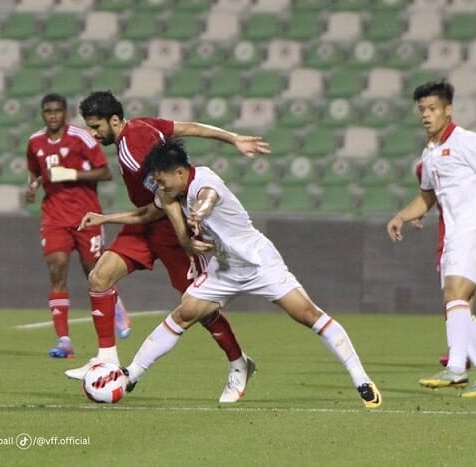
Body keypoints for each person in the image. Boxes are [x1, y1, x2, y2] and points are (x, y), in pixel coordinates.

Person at [81, 138, 382, 408]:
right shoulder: (173, 191)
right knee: (185, 314)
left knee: (307, 314)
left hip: (258, 262)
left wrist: (197, 214)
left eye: (162, 181)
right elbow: (147, 213)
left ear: (180, 172)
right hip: (224, 267)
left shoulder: (204, 181)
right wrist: (105, 218)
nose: (161, 188)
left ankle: (361, 379)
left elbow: (208, 199)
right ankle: (131, 375)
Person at [67, 90, 271, 404]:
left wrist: (186, 242)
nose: (93, 134)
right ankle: (106, 359)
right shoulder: (145, 125)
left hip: (169, 228)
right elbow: (191, 127)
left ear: (115, 120)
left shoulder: (134, 151)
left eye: (96, 127)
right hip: (145, 224)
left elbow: (168, 201)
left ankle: (239, 363)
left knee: (199, 307)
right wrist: (232, 138)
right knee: (99, 278)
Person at [387, 80, 476, 397]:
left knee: (456, 293)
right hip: (452, 232)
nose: (426, 115)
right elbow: (427, 199)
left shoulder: (466, 140)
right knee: (457, 305)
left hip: (472, 227)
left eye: (432, 109)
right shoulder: (428, 155)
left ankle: (456, 369)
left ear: (448, 110)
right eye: (422, 110)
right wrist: (403, 215)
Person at [24, 93, 131, 359]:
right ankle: (64, 341)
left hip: (86, 215)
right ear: (42, 114)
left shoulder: (82, 137)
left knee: (94, 274)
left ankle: (116, 307)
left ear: (65, 113)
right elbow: (35, 170)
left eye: (57, 111)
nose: (52, 116)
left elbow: (105, 172)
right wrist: (33, 185)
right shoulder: (35, 142)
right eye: (47, 111)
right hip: (54, 217)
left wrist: (70, 174)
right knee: (56, 267)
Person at [411, 162, 476, 367]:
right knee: (460, 297)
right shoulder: (424, 167)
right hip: (457, 240)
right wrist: (420, 212)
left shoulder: (465, 160)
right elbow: (430, 195)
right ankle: (463, 355)